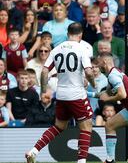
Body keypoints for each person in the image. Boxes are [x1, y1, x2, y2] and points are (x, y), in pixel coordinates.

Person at [25, 22, 96, 163]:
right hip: (77, 94)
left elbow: (45, 71)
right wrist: (94, 84)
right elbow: (88, 71)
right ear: (80, 34)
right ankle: (81, 162)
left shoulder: (56, 49)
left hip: (61, 94)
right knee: (87, 126)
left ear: (67, 34)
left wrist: (43, 91)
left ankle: (34, 151)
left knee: (59, 126)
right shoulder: (83, 49)